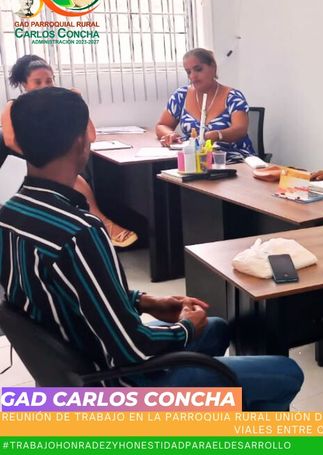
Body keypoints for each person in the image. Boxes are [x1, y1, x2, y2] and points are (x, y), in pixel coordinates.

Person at [0, 87, 303, 410]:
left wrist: (146, 301)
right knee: (286, 373)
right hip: (116, 384)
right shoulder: (80, 232)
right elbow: (134, 349)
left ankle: (201, 412)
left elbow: (75, 292)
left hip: (77, 358)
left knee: (215, 328)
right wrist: (185, 328)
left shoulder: (10, 214)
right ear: (82, 139)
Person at [0, 55, 138, 248]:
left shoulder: (60, 106)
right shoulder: (14, 106)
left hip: (54, 161)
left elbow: (90, 136)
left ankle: (100, 223)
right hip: (22, 161)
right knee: (73, 177)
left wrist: (77, 104)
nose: (45, 86)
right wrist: (42, 156)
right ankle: (105, 224)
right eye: (37, 82)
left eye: (49, 80)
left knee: (74, 173)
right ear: (24, 84)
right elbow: (11, 141)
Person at [155, 48, 255, 162]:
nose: (192, 76)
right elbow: (162, 125)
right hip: (195, 161)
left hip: (232, 160)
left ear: (213, 67)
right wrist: (170, 134)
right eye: (188, 72)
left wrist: (218, 135)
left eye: (198, 69)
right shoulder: (181, 95)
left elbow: (240, 129)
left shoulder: (233, 97)